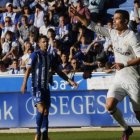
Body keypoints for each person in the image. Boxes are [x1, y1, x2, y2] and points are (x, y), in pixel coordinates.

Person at [71, 7, 140, 140]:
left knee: (138, 114)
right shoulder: (113, 33)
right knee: (109, 106)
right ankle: (127, 129)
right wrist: (78, 16)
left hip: (133, 80)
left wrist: (124, 64)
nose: (114, 21)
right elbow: (91, 25)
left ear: (125, 21)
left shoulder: (132, 37)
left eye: (117, 19)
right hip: (119, 78)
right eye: (113, 18)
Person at [21, 35, 77, 140]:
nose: (46, 43)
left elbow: (58, 71)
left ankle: (45, 135)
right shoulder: (35, 55)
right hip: (35, 86)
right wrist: (24, 83)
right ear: (39, 44)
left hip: (45, 88)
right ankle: (37, 133)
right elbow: (28, 69)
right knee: (41, 109)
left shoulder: (50, 56)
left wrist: (69, 80)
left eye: (46, 42)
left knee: (46, 111)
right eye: (43, 42)